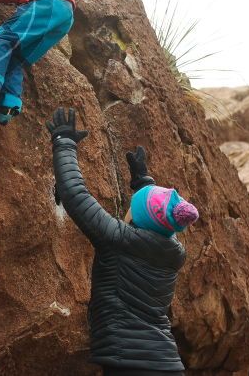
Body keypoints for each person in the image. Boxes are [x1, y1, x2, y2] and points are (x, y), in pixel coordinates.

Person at [46, 108, 200, 376]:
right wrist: (143, 182)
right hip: (165, 363)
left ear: (137, 215)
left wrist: (64, 142)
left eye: (134, 206)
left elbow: (75, 195)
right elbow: (162, 222)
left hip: (130, 363)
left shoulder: (117, 239)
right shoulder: (172, 254)